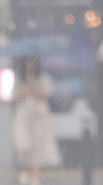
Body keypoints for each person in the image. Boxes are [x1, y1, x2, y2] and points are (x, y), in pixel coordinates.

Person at [12, 56, 61, 185]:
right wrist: (27, 87)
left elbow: (45, 94)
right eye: (27, 61)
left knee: (38, 146)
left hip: (39, 117)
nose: (30, 64)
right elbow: (14, 98)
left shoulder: (43, 77)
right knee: (24, 145)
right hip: (23, 116)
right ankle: (27, 172)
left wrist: (34, 84)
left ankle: (35, 176)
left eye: (32, 61)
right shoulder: (19, 77)